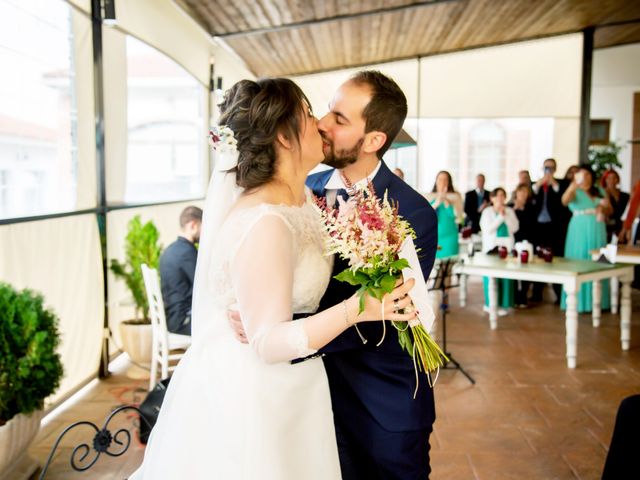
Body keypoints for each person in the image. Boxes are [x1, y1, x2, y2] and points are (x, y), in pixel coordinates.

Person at [130, 78, 417, 480]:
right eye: (309, 115)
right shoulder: (266, 219)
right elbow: (266, 340)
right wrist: (360, 308)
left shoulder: (305, 201)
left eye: (333, 117)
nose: (319, 124)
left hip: (303, 385)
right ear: (284, 137)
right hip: (258, 395)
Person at [305, 71, 438, 479]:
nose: (323, 123)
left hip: (381, 401)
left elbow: (387, 315)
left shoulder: (410, 213)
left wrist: (290, 335)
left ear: (374, 140)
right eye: (328, 110)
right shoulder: (303, 188)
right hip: (310, 396)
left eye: (340, 119)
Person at [560, 165, 611, 313]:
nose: (584, 177)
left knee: (600, 259)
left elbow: (610, 209)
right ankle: (578, 301)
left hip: (598, 227)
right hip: (579, 228)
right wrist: (572, 187)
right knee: (580, 258)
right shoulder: (574, 191)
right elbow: (564, 201)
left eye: (587, 174)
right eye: (581, 174)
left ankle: (600, 302)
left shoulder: (600, 191)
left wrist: (602, 209)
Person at [158, 206, 202, 335]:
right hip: (183, 322)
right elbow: (204, 287)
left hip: (172, 319)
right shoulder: (188, 252)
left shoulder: (169, 250)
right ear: (193, 225)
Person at [531, 158, 567, 303]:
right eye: (546, 167)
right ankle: (536, 293)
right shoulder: (536, 184)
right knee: (538, 259)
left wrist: (553, 183)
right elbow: (531, 194)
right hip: (539, 228)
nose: (548, 171)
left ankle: (558, 294)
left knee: (556, 259)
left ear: (555, 169)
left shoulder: (561, 184)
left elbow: (562, 201)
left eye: (551, 168)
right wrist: (540, 183)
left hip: (554, 228)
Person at [480, 187, 519, 315]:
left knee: (506, 277)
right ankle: (490, 304)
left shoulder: (509, 211)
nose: (500, 198)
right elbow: (488, 229)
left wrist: (505, 215)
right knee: (491, 277)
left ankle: (504, 304)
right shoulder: (487, 212)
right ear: (492, 198)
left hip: (507, 247)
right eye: (498, 195)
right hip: (492, 248)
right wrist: (500, 217)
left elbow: (514, 228)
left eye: (503, 195)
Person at [426, 170, 464, 258]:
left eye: (445, 179)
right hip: (433, 238)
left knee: (448, 266)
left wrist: (446, 200)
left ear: (449, 182)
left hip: (449, 238)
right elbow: (426, 215)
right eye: (440, 179)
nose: (442, 182)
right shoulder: (429, 196)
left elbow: (458, 218)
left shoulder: (455, 197)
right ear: (436, 181)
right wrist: (437, 202)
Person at [510, 183, 536, 307]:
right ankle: (515, 296)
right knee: (514, 269)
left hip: (529, 240)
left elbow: (533, 223)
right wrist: (515, 208)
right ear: (517, 193)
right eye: (521, 192)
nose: (523, 194)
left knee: (527, 269)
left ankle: (523, 296)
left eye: (526, 192)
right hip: (515, 240)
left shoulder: (531, 207)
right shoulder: (510, 206)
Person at [601, 169, 629, 242]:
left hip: (622, 228)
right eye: (609, 178)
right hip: (606, 228)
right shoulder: (601, 195)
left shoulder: (625, 196)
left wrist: (624, 230)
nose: (612, 180)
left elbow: (628, 213)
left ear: (618, 180)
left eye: (614, 178)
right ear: (605, 180)